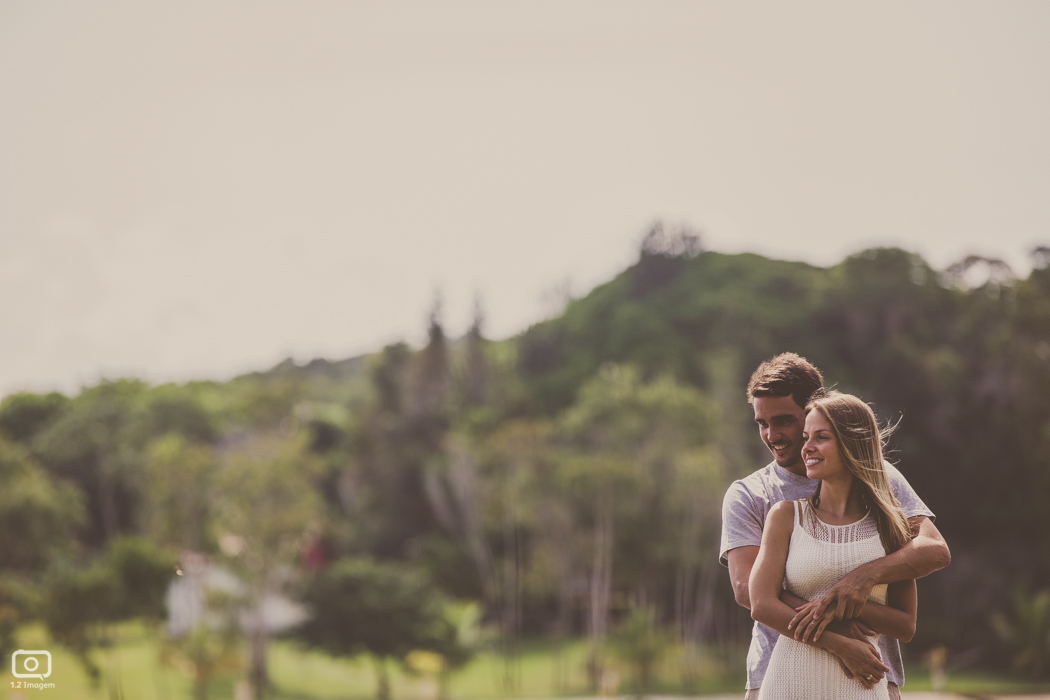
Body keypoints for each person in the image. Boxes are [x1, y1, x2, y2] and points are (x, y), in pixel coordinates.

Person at [720, 353, 950, 699]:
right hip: (778, 673)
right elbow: (747, 590)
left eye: (783, 421)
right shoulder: (752, 495)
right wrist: (834, 627)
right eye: (761, 423)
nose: (771, 435)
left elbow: (934, 550)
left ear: (817, 409)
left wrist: (863, 579)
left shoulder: (880, 478)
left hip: (870, 671)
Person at [750, 391, 918, 699]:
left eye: (821, 437)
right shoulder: (786, 516)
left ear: (854, 444)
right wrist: (837, 640)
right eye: (806, 437)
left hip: (862, 686)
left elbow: (905, 625)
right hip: (789, 683)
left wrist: (840, 603)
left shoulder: (891, 525)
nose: (807, 447)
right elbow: (761, 604)